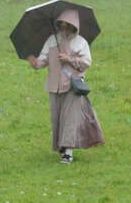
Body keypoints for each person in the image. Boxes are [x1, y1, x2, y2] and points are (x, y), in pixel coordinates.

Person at [26, 9, 105, 163]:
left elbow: (86, 63)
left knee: (70, 119)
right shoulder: (51, 40)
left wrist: (69, 59)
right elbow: (43, 60)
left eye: (67, 25)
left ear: (74, 26)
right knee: (56, 119)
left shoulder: (81, 42)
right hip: (53, 86)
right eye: (61, 25)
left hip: (72, 87)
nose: (64, 29)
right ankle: (61, 147)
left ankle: (68, 153)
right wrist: (35, 63)